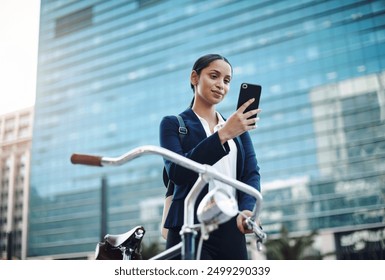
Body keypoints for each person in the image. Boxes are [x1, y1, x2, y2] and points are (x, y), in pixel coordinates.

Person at [159, 54, 261, 260]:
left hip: (232, 228)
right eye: (214, 76)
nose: (220, 85)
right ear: (194, 78)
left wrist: (248, 210)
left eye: (226, 80)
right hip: (189, 226)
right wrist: (222, 135)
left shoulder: (239, 130)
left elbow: (251, 175)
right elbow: (178, 173)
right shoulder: (172, 124)